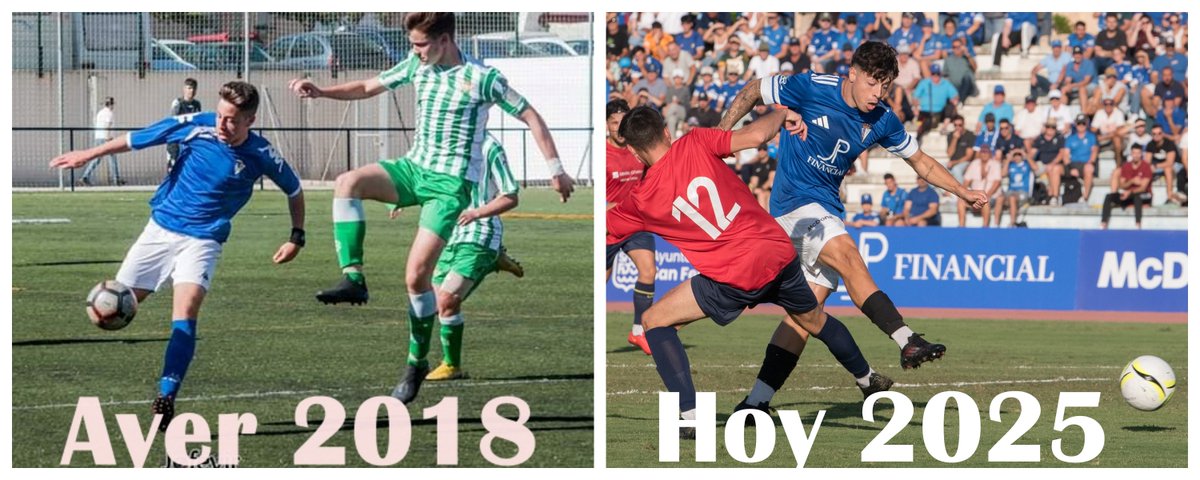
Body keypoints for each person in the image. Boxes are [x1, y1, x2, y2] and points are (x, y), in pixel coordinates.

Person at [287, 13, 573, 403]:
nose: (415, 51)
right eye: (413, 44)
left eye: (421, 44)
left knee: (416, 278)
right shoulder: (416, 65)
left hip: (450, 187)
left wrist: (556, 169)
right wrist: (322, 91)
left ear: (444, 40)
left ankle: (416, 363)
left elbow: (530, 115)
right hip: (414, 168)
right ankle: (353, 279)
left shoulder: (482, 78)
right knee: (347, 182)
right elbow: (368, 86)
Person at [716, 41, 988, 412]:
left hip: (826, 208)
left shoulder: (883, 119)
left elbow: (921, 162)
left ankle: (756, 402)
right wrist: (719, 138)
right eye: (872, 83)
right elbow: (753, 90)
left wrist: (962, 191)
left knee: (805, 316)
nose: (878, 93)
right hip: (795, 205)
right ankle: (906, 339)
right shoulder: (812, 86)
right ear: (853, 73)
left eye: (886, 86)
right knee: (848, 255)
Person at [608, 106, 890, 438]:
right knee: (814, 319)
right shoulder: (695, 142)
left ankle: (690, 415)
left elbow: (606, 228)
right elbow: (757, 135)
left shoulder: (640, 200)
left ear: (634, 151)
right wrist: (783, 113)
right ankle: (867, 378)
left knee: (654, 321)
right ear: (667, 132)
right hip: (777, 252)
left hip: (734, 275)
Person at [50, 81, 306, 430]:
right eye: (220, 115)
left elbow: (294, 190)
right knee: (109, 312)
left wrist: (296, 237)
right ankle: (157, 376)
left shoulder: (261, 153)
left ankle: (166, 396)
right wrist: (88, 154)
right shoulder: (197, 125)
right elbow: (138, 139)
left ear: (250, 120)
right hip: (158, 232)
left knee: (185, 314)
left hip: (203, 241)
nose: (222, 124)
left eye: (232, 119)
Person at [404, 134, 523, 382]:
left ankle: (451, 365)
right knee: (431, 305)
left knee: (447, 299)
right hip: (449, 233)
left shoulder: (490, 147)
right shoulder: (445, 143)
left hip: (480, 233)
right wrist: (401, 199)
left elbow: (510, 195)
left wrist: (477, 213)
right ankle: (495, 260)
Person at [605, 100, 656, 355]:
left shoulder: (638, 149)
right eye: (614, 122)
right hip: (608, 227)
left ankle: (638, 332)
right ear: (606, 125)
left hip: (635, 223)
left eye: (622, 122)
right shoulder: (602, 155)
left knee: (648, 271)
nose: (618, 127)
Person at [1101, 143, 1152, 229]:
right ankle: (1103, 222)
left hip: (1144, 194)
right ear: (1131, 154)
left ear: (1141, 154)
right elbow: (1122, 185)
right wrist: (1132, 181)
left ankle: (1138, 223)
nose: (1136, 155)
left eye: (1138, 153)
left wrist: (1130, 191)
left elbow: (1143, 187)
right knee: (1109, 196)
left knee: (1137, 197)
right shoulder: (1126, 166)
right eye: (1134, 153)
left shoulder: (1146, 166)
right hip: (1128, 194)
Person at [80, 97, 123, 186]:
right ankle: (116, 179)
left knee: (97, 158)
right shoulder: (109, 113)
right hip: (105, 137)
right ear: (111, 105)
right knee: (112, 158)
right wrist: (108, 137)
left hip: (98, 137)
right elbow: (107, 125)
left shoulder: (100, 113)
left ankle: (85, 176)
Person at [959, 146, 1002, 227]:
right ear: (979, 153)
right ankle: (961, 226)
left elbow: (997, 183)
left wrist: (987, 195)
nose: (984, 154)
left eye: (986, 152)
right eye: (982, 152)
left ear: (990, 154)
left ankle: (985, 227)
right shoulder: (974, 163)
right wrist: (964, 194)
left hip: (990, 195)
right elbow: (966, 181)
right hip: (975, 195)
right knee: (961, 201)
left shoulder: (995, 164)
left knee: (985, 201)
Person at [167, 78, 202, 170]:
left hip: (190, 139)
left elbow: (198, 122)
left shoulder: (197, 104)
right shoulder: (177, 103)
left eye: (194, 88)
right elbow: (173, 123)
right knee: (173, 167)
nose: (192, 91)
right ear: (184, 89)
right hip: (176, 140)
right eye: (189, 88)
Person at [1064, 114, 1100, 203]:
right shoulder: (1070, 138)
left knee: (1089, 168)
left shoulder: (1091, 137)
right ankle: (1053, 196)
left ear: (1086, 125)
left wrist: (1090, 162)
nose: (1081, 125)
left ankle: (1085, 197)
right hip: (1073, 164)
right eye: (1079, 123)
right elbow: (1065, 154)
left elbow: (1094, 151)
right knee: (1054, 169)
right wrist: (1070, 168)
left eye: (1083, 123)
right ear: (1075, 125)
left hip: (1086, 163)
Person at [996, 149, 1035, 227]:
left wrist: (1025, 155)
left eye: (1019, 155)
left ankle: (1012, 223)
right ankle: (996, 224)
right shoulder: (1011, 165)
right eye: (1015, 155)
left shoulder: (1026, 165)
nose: (1017, 157)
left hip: (1023, 192)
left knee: (1012, 198)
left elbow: (1036, 168)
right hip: (1011, 191)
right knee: (1000, 198)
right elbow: (1003, 174)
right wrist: (1008, 159)